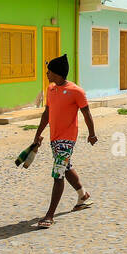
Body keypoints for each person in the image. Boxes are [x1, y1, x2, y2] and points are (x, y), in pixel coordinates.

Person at [29, 54, 97, 227]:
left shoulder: (76, 91)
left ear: (57, 73)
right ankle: (83, 196)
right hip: (54, 138)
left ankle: (49, 216)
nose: (46, 74)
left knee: (58, 173)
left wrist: (92, 133)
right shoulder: (51, 89)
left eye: (49, 71)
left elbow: (86, 112)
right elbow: (47, 113)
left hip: (67, 140)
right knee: (66, 167)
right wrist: (37, 134)